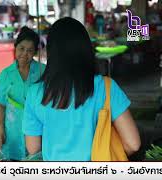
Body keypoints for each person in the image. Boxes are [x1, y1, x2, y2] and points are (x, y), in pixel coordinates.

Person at [22, 17, 141, 161]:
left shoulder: (34, 93)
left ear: (51, 51)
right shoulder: (106, 87)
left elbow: (33, 148)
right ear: (86, 48)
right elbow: (133, 144)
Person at [0, 26, 45, 160]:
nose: (24, 54)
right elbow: (0, 104)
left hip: (38, 132)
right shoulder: (5, 74)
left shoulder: (43, 71)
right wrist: (0, 130)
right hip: (12, 132)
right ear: (15, 47)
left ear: (34, 52)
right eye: (21, 48)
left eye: (30, 51)